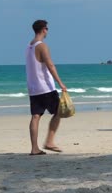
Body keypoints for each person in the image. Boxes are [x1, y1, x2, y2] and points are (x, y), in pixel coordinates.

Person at [26, 20, 67, 155]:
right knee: (58, 112)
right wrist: (61, 83)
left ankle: (34, 148)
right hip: (45, 88)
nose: (47, 31)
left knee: (35, 116)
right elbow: (50, 66)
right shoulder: (42, 46)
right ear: (44, 29)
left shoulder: (29, 46)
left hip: (33, 88)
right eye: (47, 28)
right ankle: (49, 141)